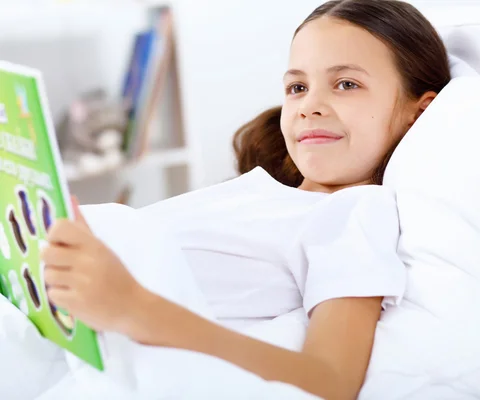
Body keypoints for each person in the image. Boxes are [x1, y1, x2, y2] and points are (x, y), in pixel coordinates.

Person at [41, 1, 450, 399]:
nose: (309, 106)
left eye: (347, 84)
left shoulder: (354, 213)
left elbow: (331, 381)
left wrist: (135, 309)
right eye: (297, 87)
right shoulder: (260, 192)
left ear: (418, 113)